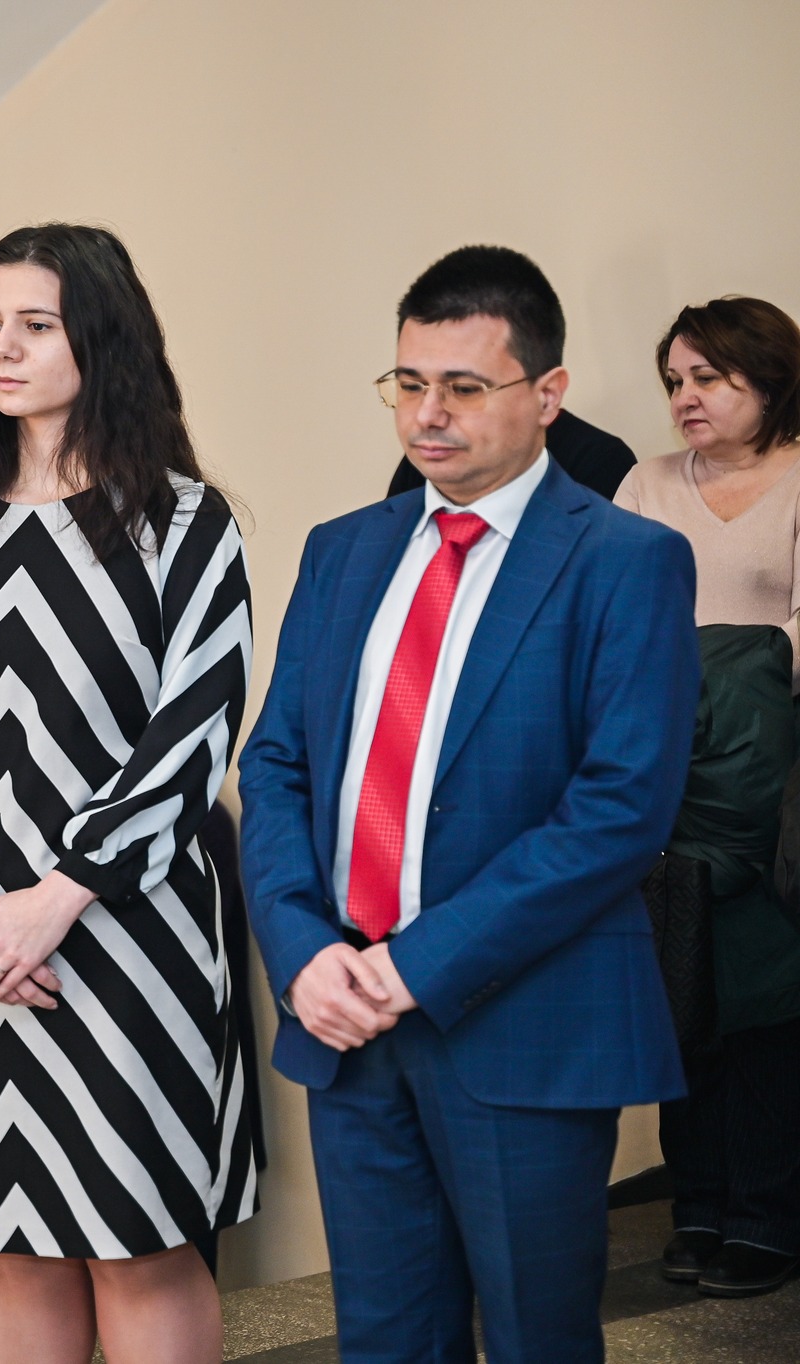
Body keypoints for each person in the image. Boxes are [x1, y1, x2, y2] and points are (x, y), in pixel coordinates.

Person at [239, 245, 699, 1364]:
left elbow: (618, 808)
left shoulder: (626, 560)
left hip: (524, 1022)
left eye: (462, 386)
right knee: (386, 1339)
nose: (426, 413)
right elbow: (276, 766)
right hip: (344, 1021)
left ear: (547, 393)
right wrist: (302, 952)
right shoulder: (344, 551)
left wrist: (415, 963)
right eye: (407, 382)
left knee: (539, 1337)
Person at [0, 223, 255, 1364]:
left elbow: (193, 736)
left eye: (34, 325)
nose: (3, 348)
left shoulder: (185, 522)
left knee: (139, 1239)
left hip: (130, 935)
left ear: (101, 337)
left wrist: (55, 897)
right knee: (12, 1241)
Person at [615, 295, 800, 1297]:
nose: (684, 397)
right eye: (673, 381)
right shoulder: (646, 484)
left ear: (766, 380)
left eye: (708, 378)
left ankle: (767, 1214)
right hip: (665, 769)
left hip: (777, 775)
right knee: (678, 985)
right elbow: (614, 622)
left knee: (765, 997)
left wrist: (706, 673)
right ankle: (696, 1202)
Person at [387, 407, 636, 499]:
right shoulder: (434, 451)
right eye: (412, 387)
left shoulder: (601, 457)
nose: (428, 414)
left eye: (465, 387)